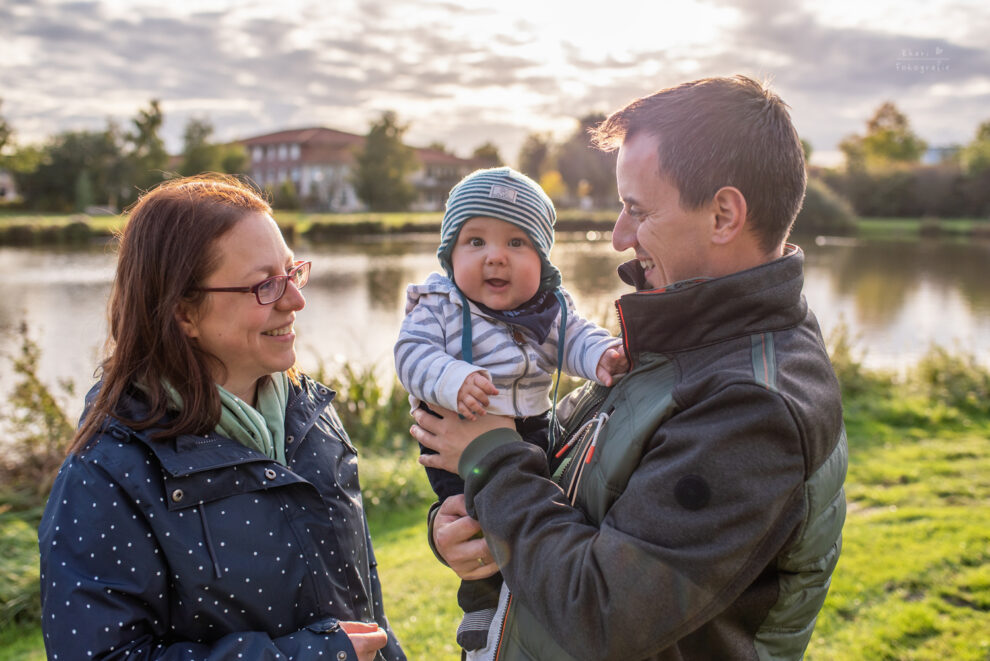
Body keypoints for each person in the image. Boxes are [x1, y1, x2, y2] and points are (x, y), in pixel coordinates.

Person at [411, 75, 848, 660]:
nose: (619, 238)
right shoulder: (681, 336)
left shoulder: (750, 407)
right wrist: (462, 523)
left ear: (723, 215)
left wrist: (489, 459)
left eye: (636, 211)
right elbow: (565, 493)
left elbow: (600, 612)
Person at [38, 175, 406, 661]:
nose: (296, 301)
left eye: (292, 273)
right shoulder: (108, 473)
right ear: (183, 313)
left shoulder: (309, 413)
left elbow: (362, 601)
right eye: (265, 285)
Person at [393, 166, 627, 650]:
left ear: (542, 259)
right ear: (450, 255)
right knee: (471, 516)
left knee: (535, 510)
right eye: (475, 241)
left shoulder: (549, 309)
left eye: (517, 243)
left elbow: (576, 340)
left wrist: (604, 354)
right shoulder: (438, 304)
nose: (495, 256)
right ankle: (481, 605)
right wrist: (453, 380)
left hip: (533, 429)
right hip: (458, 430)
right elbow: (411, 355)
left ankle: (535, 599)